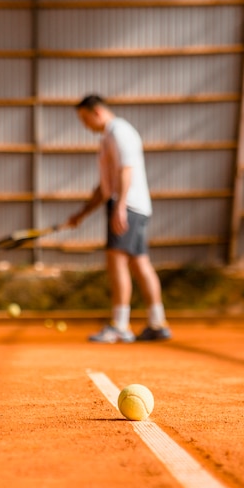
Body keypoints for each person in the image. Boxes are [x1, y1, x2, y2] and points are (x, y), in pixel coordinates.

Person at [67, 94, 171, 343]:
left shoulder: (119, 131)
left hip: (128, 205)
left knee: (116, 260)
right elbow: (104, 186)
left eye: (84, 118)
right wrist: (82, 214)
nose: (84, 125)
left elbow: (127, 169)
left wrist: (121, 206)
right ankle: (157, 323)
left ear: (97, 112)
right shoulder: (110, 136)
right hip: (134, 206)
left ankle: (120, 325)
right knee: (139, 263)